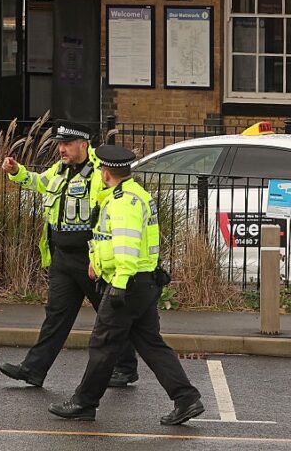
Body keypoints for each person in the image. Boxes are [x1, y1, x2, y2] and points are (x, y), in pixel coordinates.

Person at [48, 144, 204, 426]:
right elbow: (113, 242)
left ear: (106, 173)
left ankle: (84, 402)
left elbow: (127, 248)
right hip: (142, 282)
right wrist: (97, 264)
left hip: (128, 284)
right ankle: (186, 398)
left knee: (103, 343)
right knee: (150, 343)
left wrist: (118, 286)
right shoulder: (135, 194)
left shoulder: (123, 202)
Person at [0, 121, 138, 388]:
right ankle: (33, 369)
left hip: (90, 257)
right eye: (60, 144)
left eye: (67, 144)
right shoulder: (59, 169)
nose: (61, 149)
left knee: (108, 313)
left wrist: (103, 255)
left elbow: (115, 206)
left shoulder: (100, 172)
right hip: (61, 256)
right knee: (56, 315)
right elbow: (39, 183)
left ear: (83, 145)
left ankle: (125, 367)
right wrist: (17, 171)